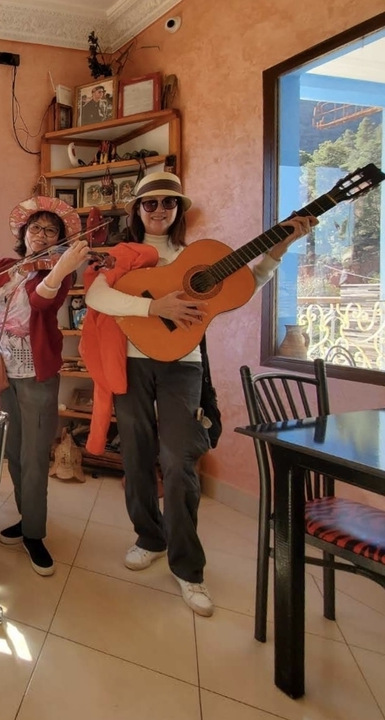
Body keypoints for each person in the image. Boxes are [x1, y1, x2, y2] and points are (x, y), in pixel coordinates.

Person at [81, 172, 316, 616]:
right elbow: (97, 296)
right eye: (150, 204)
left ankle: (189, 569)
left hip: (182, 364)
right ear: (136, 210)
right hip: (128, 361)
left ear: (179, 210)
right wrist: (155, 306)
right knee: (136, 451)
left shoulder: (197, 258)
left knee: (178, 459)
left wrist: (277, 251)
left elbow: (244, 286)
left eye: (169, 203)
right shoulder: (123, 255)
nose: (159, 211)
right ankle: (149, 537)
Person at [0, 196, 89, 576]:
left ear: (58, 238)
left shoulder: (61, 272)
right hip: (3, 372)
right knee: (13, 450)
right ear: (24, 233)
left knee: (34, 456)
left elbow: (40, 302)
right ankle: (26, 518)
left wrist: (59, 269)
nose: (41, 236)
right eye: (35, 228)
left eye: (50, 230)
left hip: (36, 372)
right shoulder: (5, 267)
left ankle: (35, 534)